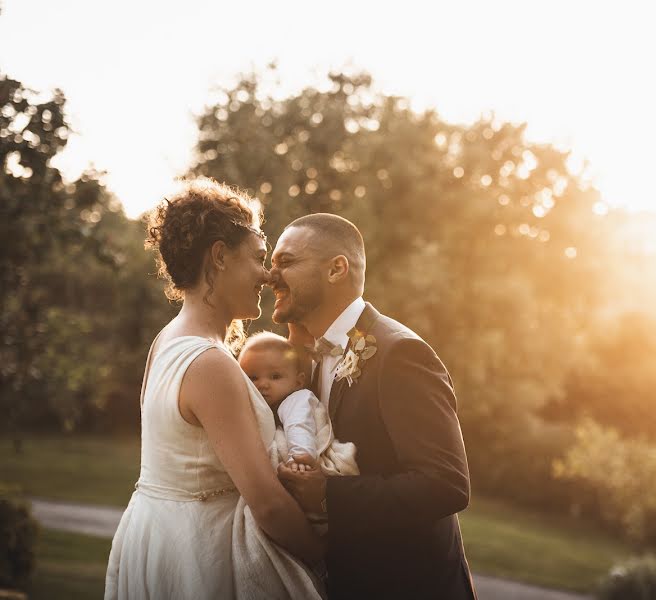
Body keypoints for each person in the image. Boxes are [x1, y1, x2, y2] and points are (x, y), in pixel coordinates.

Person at [104, 179, 324, 600]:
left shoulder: (167, 341)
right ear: (220, 256)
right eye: (260, 259)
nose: (268, 274)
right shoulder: (210, 363)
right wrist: (326, 558)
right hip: (199, 557)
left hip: (158, 535)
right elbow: (270, 505)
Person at [270, 213, 478, 600]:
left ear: (336, 269)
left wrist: (327, 494)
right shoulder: (305, 355)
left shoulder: (401, 353)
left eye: (286, 261)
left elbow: (446, 484)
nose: (270, 276)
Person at [238, 331, 359, 480]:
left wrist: (300, 457)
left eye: (275, 376)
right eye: (253, 378)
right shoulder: (260, 406)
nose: (263, 384)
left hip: (305, 457)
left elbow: (300, 426)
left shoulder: (297, 399)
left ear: (298, 382)